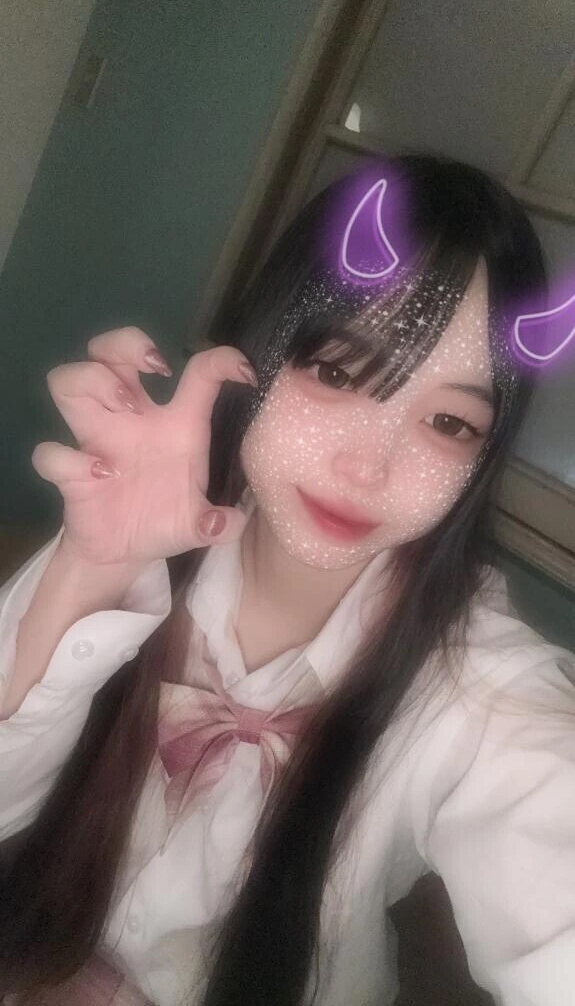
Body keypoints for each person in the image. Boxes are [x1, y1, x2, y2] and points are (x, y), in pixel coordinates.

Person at [0, 154, 573, 1006]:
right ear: (261, 350)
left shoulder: (481, 689)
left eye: (449, 423)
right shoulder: (141, 536)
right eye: (337, 372)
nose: (367, 466)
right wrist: (91, 570)